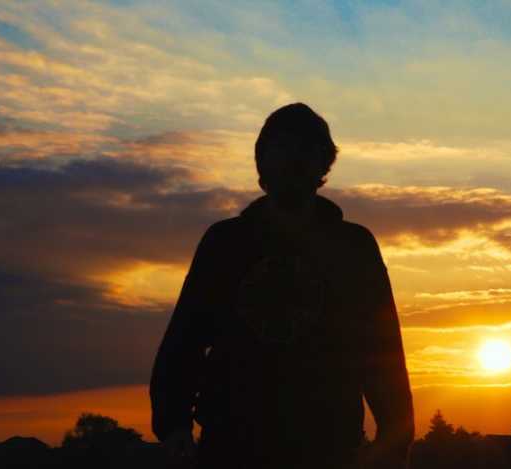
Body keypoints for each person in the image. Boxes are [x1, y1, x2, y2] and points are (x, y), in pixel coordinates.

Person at [150, 103, 414, 469]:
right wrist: (173, 423)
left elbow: (381, 347)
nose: (294, 161)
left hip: (326, 445)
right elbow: (186, 337)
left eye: (306, 150)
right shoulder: (225, 243)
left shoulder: (353, 248)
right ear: (262, 163)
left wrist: (395, 436)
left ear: (323, 165)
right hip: (233, 443)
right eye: (283, 149)